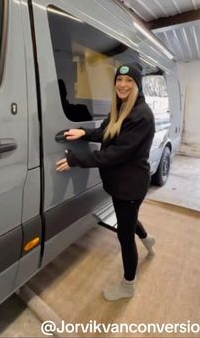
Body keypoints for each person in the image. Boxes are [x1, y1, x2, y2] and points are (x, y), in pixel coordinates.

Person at [56, 63, 155, 301]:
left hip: (130, 185)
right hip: (120, 184)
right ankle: (148, 240)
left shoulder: (141, 115)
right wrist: (84, 132)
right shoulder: (120, 107)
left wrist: (76, 159)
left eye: (129, 81)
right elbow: (105, 132)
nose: (122, 85)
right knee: (128, 217)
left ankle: (128, 286)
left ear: (137, 84)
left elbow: (115, 153)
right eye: (119, 81)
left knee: (124, 232)